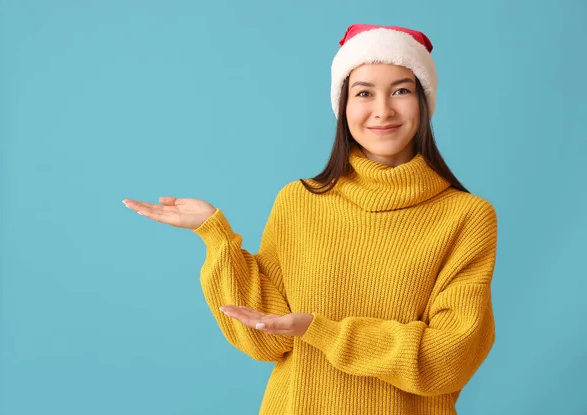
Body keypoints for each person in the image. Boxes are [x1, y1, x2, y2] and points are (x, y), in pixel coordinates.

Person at [123, 23, 498, 415]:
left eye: (401, 90)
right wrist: (214, 233)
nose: (383, 110)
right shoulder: (298, 202)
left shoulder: (467, 217)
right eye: (364, 93)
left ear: (423, 101)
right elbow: (267, 339)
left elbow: (449, 358)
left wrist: (320, 331)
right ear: (343, 106)